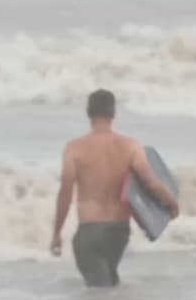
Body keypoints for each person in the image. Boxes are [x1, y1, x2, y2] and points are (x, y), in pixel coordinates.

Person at [50, 89, 179, 287]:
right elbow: (151, 183)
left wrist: (56, 233)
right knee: (109, 283)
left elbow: (65, 194)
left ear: (88, 113)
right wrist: (171, 203)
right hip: (119, 232)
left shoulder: (74, 148)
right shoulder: (131, 146)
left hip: (89, 232)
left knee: (98, 293)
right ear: (113, 113)